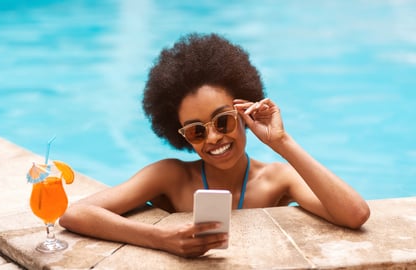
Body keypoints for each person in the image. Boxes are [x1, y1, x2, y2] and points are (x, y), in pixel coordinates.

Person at [59, 33, 370, 258]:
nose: (213, 139)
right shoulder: (171, 176)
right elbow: (76, 214)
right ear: (179, 134)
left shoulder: (278, 179)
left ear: (244, 114)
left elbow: (355, 214)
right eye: (196, 131)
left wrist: (281, 141)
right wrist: (159, 237)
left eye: (223, 122)